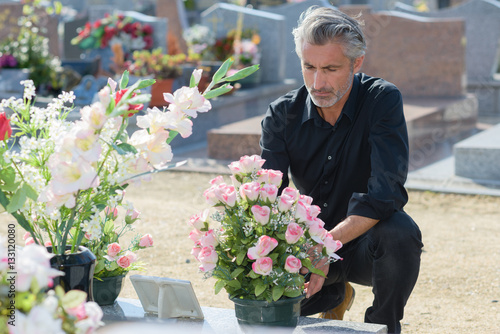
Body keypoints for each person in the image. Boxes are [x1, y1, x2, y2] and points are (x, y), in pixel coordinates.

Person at [259, 6, 423, 334]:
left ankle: (382, 327)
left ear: (356, 63)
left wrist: (326, 243)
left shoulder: (382, 100)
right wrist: (300, 250)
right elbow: (269, 199)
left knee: (400, 234)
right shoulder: (281, 115)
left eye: (331, 69)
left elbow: (386, 192)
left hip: (362, 243)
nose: (317, 83)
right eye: (309, 67)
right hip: (304, 247)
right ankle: (334, 293)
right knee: (269, 315)